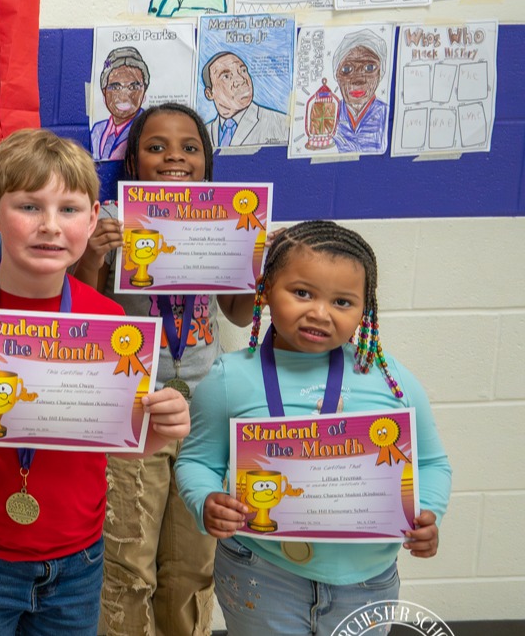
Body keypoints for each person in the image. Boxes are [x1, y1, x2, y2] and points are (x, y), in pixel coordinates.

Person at [0, 129, 191, 634]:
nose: (50, 227)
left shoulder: (108, 320)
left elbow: (117, 442)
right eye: (30, 207)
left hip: (78, 560)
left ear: (94, 217)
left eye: (70, 210)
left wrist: (162, 429)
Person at [175, 221, 449, 636]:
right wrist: (206, 501)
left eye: (343, 302)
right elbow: (197, 460)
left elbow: (432, 462)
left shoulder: (390, 378)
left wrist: (427, 512)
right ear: (264, 290)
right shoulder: (230, 377)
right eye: (302, 293)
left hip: (367, 580)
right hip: (263, 572)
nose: (320, 313)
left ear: (365, 310)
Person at [75, 103, 255, 636]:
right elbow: (81, 315)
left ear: (206, 162)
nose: (174, 156)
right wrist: (92, 258)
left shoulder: (225, 216)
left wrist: (249, 262)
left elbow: (239, 316)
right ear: (131, 160)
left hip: (206, 409)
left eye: (189, 147)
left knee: (195, 562)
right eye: (156, 147)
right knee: (128, 561)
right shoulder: (106, 218)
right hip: (134, 410)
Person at [201, 51, 286, 148]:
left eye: (243, 71)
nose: (241, 80)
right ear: (209, 94)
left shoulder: (281, 124)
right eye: (226, 76)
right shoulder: (202, 133)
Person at [332, 29, 390, 152]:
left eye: (369, 68)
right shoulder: (330, 114)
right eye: (347, 69)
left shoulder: (386, 114)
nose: (358, 80)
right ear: (337, 75)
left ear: (380, 73)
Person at [91, 47, 150, 161]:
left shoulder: (147, 129)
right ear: (104, 92)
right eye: (115, 87)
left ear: (144, 93)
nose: (124, 95)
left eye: (133, 87)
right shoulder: (97, 130)